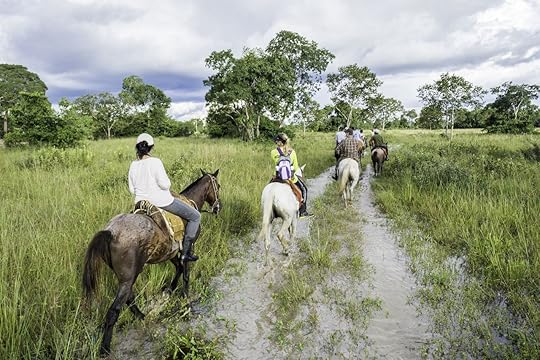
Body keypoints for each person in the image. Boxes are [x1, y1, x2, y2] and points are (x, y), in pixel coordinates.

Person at [128, 133, 201, 262]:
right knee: (195, 216)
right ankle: (186, 252)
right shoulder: (156, 162)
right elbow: (165, 184)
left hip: (140, 203)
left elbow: (131, 189)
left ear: (137, 148)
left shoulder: (133, 165)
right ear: (151, 147)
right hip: (161, 202)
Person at [271, 133, 312, 218]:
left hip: (278, 178)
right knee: (304, 190)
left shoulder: (273, 152)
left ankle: (270, 212)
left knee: (268, 190)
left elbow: (276, 164)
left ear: (278, 142)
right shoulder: (292, 152)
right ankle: (302, 212)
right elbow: (296, 167)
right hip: (291, 179)